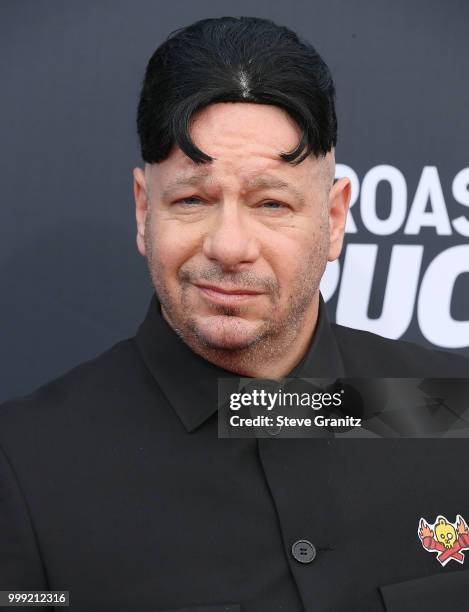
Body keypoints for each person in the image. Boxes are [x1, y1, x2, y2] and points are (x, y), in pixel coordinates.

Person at [0, 16, 468, 612]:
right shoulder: (25, 465)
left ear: (332, 219)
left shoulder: (450, 410)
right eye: (192, 199)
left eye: (271, 202)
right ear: (145, 210)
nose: (228, 245)